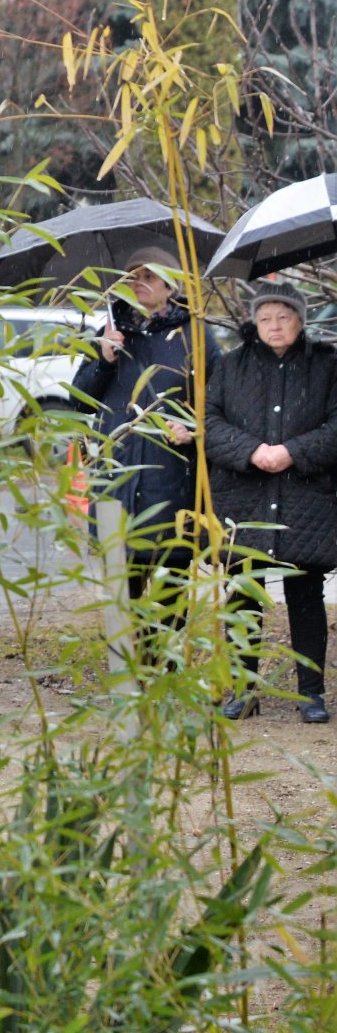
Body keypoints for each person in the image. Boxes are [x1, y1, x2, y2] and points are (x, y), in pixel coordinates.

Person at [205, 282, 337, 723]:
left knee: (306, 596)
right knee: (243, 594)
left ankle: (311, 694)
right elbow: (209, 422)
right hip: (245, 497)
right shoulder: (230, 365)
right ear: (254, 323)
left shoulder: (326, 364)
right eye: (266, 318)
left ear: (300, 321)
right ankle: (243, 690)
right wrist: (250, 450)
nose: (274, 325)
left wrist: (293, 451)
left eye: (284, 317)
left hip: (306, 499)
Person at [70, 249, 216, 604]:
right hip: (116, 478)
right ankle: (127, 659)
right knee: (122, 599)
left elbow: (216, 403)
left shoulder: (193, 334)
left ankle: (163, 661)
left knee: (170, 597)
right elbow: (78, 400)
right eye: (132, 276)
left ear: (170, 285)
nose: (138, 283)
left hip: (170, 478)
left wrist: (193, 428)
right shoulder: (108, 331)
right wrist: (104, 359)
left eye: (148, 276)